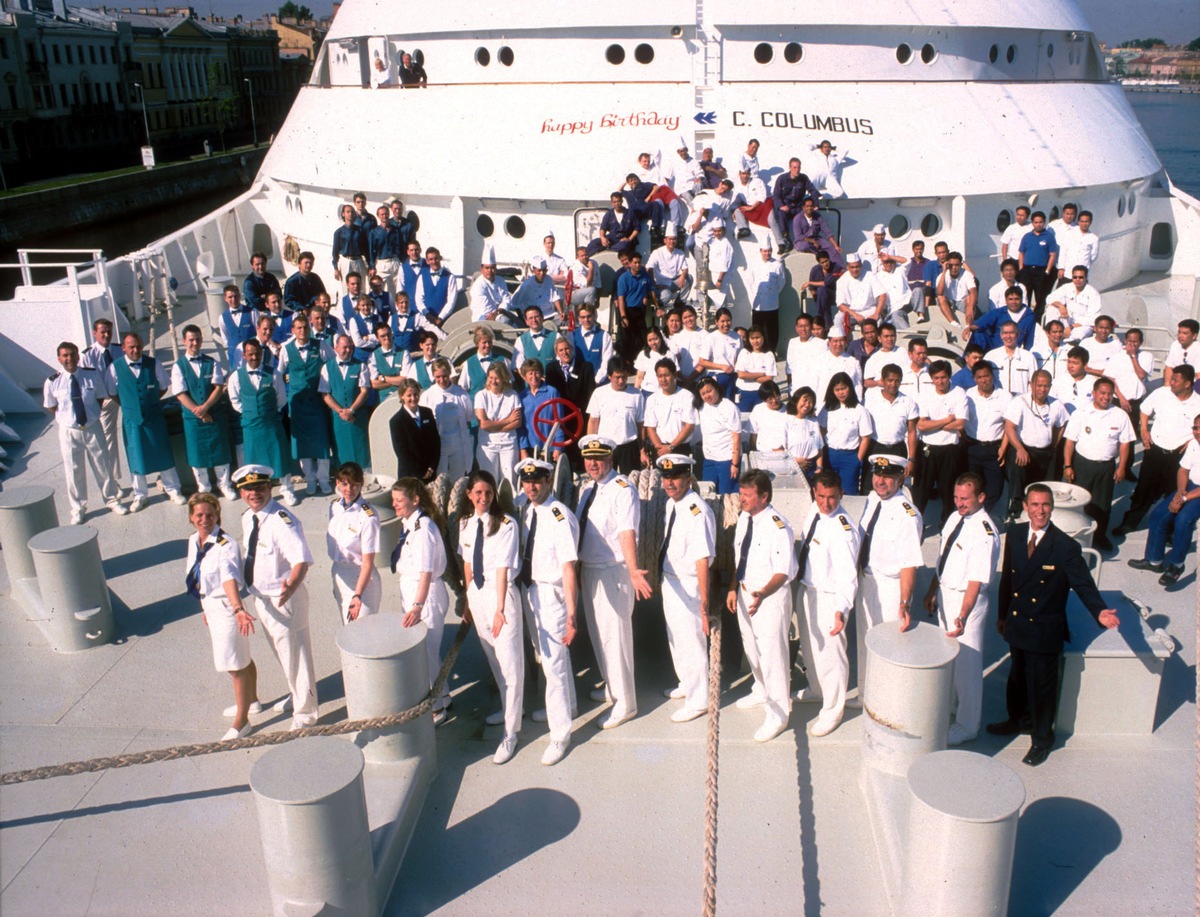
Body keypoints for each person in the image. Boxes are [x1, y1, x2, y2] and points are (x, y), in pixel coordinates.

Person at [991, 484, 1119, 766]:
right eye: (1034, 505)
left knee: (1042, 687)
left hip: (1044, 629)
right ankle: (1018, 720)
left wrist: (1099, 611)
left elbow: (1083, 584)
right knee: (1017, 678)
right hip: (1017, 622)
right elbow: (1008, 582)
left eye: (1045, 505)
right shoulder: (1014, 534)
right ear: (1025, 506)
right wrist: (1002, 615)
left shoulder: (1065, 546)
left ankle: (1041, 740)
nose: (1040, 511)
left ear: (1052, 507)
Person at [575, 434, 652, 729]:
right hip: (590, 570)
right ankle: (611, 687)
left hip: (613, 571)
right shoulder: (589, 490)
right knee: (599, 636)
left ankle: (625, 704)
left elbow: (626, 532)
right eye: (588, 458)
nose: (593, 464)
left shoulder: (623, 489)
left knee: (615, 639)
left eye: (599, 458)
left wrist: (633, 571)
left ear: (610, 459)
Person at [235, 464, 318, 729]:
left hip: (284, 600)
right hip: (262, 599)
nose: (254, 494)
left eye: (260, 488)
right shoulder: (249, 517)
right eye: (248, 489)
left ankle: (305, 713)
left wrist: (291, 586)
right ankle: (298, 695)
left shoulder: (284, 520)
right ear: (241, 492)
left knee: (296, 656)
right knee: (283, 654)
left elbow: (301, 561)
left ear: (269, 488)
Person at [922, 473, 999, 745]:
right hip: (946, 594)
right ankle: (952, 706)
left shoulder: (985, 532)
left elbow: (976, 581)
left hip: (967, 603)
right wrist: (933, 589)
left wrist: (963, 616)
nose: (959, 503)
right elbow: (944, 559)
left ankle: (968, 724)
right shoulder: (956, 518)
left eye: (965, 498)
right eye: (956, 497)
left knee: (967, 664)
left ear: (981, 497)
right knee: (948, 657)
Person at [514, 459, 580, 765]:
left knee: (553, 665)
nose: (531, 487)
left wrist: (571, 612)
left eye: (537, 481)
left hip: (551, 595)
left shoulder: (559, 517)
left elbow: (569, 568)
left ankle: (560, 735)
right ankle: (570, 705)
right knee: (547, 656)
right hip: (531, 592)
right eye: (526, 482)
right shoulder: (528, 510)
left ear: (548, 479)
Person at [457, 470, 526, 763]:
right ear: (469, 495)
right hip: (478, 596)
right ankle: (512, 710)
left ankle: (511, 733)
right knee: (495, 661)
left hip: (502, 596)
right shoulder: (465, 524)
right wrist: (468, 599)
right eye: (478, 493)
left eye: (488, 493)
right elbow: (467, 563)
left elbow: (502, 568)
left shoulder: (506, 525)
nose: (483, 498)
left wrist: (499, 609)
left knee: (511, 666)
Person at [727, 469, 798, 743]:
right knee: (752, 650)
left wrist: (762, 594)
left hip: (769, 597)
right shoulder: (745, 517)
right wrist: (734, 587)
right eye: (741, 494)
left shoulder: (778, 526)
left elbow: (783, 572)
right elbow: (740, 556)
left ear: (764, 496)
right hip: (746, 593)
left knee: (772, 656)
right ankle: (761, 689)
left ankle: (778, 714)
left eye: (747, 495)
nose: (742, 499)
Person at [790, 470, 861, 736]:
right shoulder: (814, 511)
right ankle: (816, 689)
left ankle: (833, 709)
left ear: (841, 494)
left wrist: (841, 611)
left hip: (830, 597)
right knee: (810, 646)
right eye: (821, 496)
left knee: (832, 655)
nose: (826, 503)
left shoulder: (843, 529)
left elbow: (848, 577)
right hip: (808, 590)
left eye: (832, 497)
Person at [185, 492, 258, 740]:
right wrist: (205, 609)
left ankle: (243, 720)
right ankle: (253, 700)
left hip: (227, 607)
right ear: (191, 517)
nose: (205, 520)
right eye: (199, 515)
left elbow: (228, 578)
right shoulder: (194, 540)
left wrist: (238, 610)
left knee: (234, 666)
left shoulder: (226, 545)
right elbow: (199, 578)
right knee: (241, 658)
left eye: (211, 515)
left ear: (218, 515)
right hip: (212, 606)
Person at [853, 455, 921, 705]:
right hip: (866, 578)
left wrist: (904, 602)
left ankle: (888, 702)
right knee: (865, 641)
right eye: (877, 475)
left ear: (900, 477)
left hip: (890, 586)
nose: (880, 481)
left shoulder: (908, 515)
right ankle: (865, 694)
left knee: (888, 646)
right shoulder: (872, 499)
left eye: (888, 476)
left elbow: (909, 564)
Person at [655, 454, 715, 723]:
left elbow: (702, 559)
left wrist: (704, 603)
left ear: (689, 479)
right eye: (666, 477)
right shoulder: (672, 504)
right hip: (671, 579)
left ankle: (699, 699)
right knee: (677, 638)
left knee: (691, 641)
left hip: (689, 583)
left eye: (675, 477)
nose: (669, 482)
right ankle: (686, 683)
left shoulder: (697, 510)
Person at [391, 478, 452, 724]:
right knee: (429, 655)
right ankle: (444, 695)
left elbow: (426, 571)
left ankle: (437, 710)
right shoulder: (410, 524)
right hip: (415, 593)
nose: (394, 505)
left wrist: (417, 606)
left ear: (415, 500)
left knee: (425, 656)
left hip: (425, 598)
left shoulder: (423, 528)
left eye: (399, 501)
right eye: (393, 500)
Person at [44, 341, 126, 523]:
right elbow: (52, 407)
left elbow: (100, 398)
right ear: (59, 358)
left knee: (102, 465)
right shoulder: (52, 382)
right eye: (65, 355)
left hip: (92, 427)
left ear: (78, 356)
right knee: (74, 470)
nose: (69, 359)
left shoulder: (92, 375)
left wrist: (90, 416)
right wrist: (69, 419)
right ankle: (78, 508)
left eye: (72, 354)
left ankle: (111, 499)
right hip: (69, 431)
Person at [1114, 363, 1199, 534]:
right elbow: (1144, 410)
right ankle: (1129, 523)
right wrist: (1144, 429)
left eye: (1175, 380)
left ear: (1188, 384)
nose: (1171, 382)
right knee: (1143, 490)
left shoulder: (1198, 403)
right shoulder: (1161, 393)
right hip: (1155, 451)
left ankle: (1168, 531)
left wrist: (1192, 440)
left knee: (1172, 493)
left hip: (1178, 456)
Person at [109, 332, 185, 511]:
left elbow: (163, 387)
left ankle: (173, 489)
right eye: (131, 347)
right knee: (136, 457)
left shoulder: (154, 364)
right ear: (124, 348)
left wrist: (150, 402)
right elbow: (113, 392)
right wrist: (130, 406)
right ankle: (140, 495)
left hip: (154, 417)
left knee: (163, 453)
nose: (135, 350)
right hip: (132, 421)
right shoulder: (114, 368)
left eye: (138, 346)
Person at [1063, 378, 1134, 552]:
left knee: (1102, 504)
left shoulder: (1120, 415)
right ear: (1094, 393)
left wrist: (1122, 467)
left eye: (1110, 394)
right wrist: (1067, 466)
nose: (1106, 397)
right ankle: (1074, 535)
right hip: (1082, 465)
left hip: (1106, 466)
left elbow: (1125, 443)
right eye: (1102, 393)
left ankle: (1099, 536)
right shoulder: (1081, 413)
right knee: (1078, 502)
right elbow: (1070, 442)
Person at [1129, 415, 1200, 586]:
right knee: (1158, 515)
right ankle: (1154, 561)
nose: (1197, 432)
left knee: (1183, 521)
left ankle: (1177, 565)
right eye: (1195, 428)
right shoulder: (1194, 444)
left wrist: (1183, 498)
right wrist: (1179, 493)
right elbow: (1183, 470)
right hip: (1189, 486)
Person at [228, 339, 297, 506]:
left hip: (271, 423)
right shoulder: (236, 377)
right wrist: (251, 412)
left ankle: (287, 489)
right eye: (250, 354)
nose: (254, 357)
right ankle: (261, 494)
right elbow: (235, 400)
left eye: (257, 353)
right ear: (244, 356)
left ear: (262, 353)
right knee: (254, 462)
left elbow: (281, 399)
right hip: (251, 426)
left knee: (280, 456)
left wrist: (268, 412)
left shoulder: (273, 374)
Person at [172, 325, 236, 500]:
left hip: (213, 415)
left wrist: (206, 407)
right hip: (193, 420)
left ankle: (225, 485)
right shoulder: (178, 366)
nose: (195, 343)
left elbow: (218, 387)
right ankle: (204, 487)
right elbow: (180, 393)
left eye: (198, 339)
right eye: (191, 339)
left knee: (220, 451)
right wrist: (198, 412)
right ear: (184, 341)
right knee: (197, 454)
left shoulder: (212, 362)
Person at [1002, 369, 1068, 521]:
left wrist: (1053, 445)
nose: (1042, 389)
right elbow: (1009, 426)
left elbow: (1061, 424)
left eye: (1046, 386)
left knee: (1049, 480)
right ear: (1031, 385)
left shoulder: (1056, 404)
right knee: (1017, 464)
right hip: (1024, 448)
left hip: (1045, 451)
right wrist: (1019, 448)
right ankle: (1016, 503)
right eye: (1039, 385)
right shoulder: (1020, 402)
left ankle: (1045, 507)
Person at [278, 315, 332, 497]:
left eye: (305, 328)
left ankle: (323, 479)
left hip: (317, 401)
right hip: (297, 403)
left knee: (321, 441)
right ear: (293, 330)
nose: (302, 331)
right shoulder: (286, 350)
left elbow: (332, 363)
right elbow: (278, 375)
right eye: (299, 328)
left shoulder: (320, 345)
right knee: (303, 444)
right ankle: (310, 479)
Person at [325, 461, 382, 626]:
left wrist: (357, 595)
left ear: (361, 484)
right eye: (344, 484)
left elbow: (367, 563)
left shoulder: (368, 516)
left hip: (361, 579)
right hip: (338, 573)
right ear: (337, 483)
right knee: (347, 630)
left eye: (354, 485)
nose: (348, 490)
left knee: (362, 632)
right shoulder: (334, 507)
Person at [915, 360, 968, 524]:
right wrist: (947, 420)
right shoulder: (925, 394)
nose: (940, 381)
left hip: (949, 450)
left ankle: (947, 525)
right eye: (936, 378)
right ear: (931, 378)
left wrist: (934, 424)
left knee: (948, 491)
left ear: (949, 376)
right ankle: (917, 523)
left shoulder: (959, 393)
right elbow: (922, 425)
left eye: (943, 377)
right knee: (921, 491)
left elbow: (960, 424)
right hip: (927, 449)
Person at [963, 361, 1011, 513]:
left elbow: (1009, 426)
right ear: (974, 378)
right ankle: (973, 516)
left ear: (993, 376)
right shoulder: (968, 395)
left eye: (986, 376)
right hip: (972, 448)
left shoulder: (1005, 396)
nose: (983, 380)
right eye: (979, 377)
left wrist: (1003, 448)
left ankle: (983, 513)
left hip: (995, 450)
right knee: (972, 489)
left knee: (994, 489)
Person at [80, 317, 125, 479]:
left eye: (109, 331)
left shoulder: (120, 350)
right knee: (108, 439)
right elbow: (88, 383)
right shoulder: (88, 355)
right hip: (105, 400)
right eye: (102, 332)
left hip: (123, 396)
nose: (106, 335)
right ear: (94, 333)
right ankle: (112, 478)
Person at [320, 335, 371, 469]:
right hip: (338, 419)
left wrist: (351, 410)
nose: (348, 350)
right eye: (344, 347)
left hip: (358, 417)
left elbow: (364, 391)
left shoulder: (361, 366)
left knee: (361, 449)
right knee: (342, 449)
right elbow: (325, 394)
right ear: (336, 348)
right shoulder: (327, 367)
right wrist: (340, 411)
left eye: (350, 347)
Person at [818, 370, 873, 496]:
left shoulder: (860, 410)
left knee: (848, 494)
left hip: (849, 457)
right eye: (837, 389)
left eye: (843, 388)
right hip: (829, 455)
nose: (841, 393)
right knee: (828, 492)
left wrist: (857, 460)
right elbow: (821, 431)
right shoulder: (827, 409)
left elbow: (866, 437)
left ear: (850, 388)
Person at [586, 359, 644, 475]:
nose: (621, 381)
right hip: (605, 447)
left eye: (624, 377)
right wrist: (590, 449)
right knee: (604, 481)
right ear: (609, 376)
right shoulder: (599, 393)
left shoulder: (637, 395)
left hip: (629, 447)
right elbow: (593, 421)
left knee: (631, 483)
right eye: (617, 377)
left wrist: (642, 449)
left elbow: (640, 425)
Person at [420, 359, 473, 482]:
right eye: (438, 377)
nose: (441, 380)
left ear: (450, 374)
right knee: (440, 481)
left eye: (444, 376)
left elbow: (468, 417)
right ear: (433, 375)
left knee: (458, 480)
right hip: (438, 447)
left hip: (458, 445)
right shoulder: (427, 396)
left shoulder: (461, 394)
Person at [474, 363, 522, 483]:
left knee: (510, 480)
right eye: (491, 377)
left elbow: (517, 422)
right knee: (489, 481)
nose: (493, 381)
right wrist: (507, 420)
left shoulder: (512, 395)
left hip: (509, 444)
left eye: (497, 378)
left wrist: (493, 427)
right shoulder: (481, 395)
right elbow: (483, 424)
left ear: (504, 378)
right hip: (488, 446)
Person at [643, 358, 698, 462]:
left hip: (680, 449)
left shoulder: (687, 396)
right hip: (660, 450)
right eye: (660, 376)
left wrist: (670, 447)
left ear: (675, 375)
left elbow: (689, 426)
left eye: (667, 375)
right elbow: (650, 428)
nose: (663, 380)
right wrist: (660, 448)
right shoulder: (651, 399)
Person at [695, 374, 741, 494]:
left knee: (726, 494)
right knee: (707, 493)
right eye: (703, 393)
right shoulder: (702, 406)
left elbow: (736, 437)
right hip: (709, 459)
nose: (707, 396)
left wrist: (734, 464)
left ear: (716, 388)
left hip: (726, 460)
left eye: (709, 391)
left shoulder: (729, 407)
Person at [389, 378, 440, 482]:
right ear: (401, 396)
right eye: (409, 395)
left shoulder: (427, 413)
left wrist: (432, 467)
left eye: (416, 394)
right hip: (410, 474)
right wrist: (420, 472)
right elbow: (402, 452)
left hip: (430, 473)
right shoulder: (396, 421)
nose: (413, 398)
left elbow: (436, 442)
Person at [741, 243, 786, 353]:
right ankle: (757, 351)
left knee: (772, 329)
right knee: (757, 329)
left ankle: (772, 350)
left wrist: (773, 294)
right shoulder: (754, 264)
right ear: (761, 251)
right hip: (758, 304)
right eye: (765, 251)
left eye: (769, 251)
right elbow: (749, 283)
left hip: (772, 303)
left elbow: (781, 282)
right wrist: (753, 299)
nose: (767, 253)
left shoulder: (777, 265)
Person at [518, 359, 562, 460]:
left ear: (541, 374)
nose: (534, 376)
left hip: (551, 447)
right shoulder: (522, 396)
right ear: (524, 377)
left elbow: (559, 421)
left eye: (537, 372)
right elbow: (521, 427)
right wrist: (523, 449)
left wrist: (558, 447)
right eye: (530, 373)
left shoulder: (552, 392)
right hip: (530, 448)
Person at [1016, 212, 1058, 317]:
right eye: (1036, 222)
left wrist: (1047, 270)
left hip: (1041, 271)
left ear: (1044, 222)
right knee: (1025, 295)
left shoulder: (1049, 237)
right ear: (1033, 223)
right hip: (1027, 271)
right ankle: (1024, 316)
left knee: (1040, 297)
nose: (1038, 224)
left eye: (1040, 222)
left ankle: (1038, 319)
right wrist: (1021, 269)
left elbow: (1052, 255)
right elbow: (1021, 253)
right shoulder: (1027, 236)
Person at [772, 157, 820, 245]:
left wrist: (816, 204)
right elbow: (776, 195)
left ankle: (809, 236)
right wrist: (781, 205)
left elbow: (813, 190)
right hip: (786, 205)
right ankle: (786, 237)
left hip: (798, 206)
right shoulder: (782, 179)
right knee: (781, 215)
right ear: (790, 168)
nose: (797, 170)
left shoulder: (803, 178)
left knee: (809, 214)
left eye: (798, 167)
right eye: (794, 167)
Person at [1047, 265, 1102, 341]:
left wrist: (1071, 327)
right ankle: (1049, 333)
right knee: (1052, 308)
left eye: (1081, 277)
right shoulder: (1067, 287)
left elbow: (1093, 319)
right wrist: (1060, 306)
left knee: (1077, 336)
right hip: (1068, 320)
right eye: (1075, 277)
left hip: (1083, 325)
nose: (1077, 279)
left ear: (1086, 278)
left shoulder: (1093, 293)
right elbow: (1049, 298)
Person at [697, 307, 742, 399]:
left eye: (728, 320)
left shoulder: (737, 337)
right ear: (717, 322)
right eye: (722, 321)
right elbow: (702, 361)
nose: (726, 324)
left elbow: (740, 358)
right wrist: (722, 366)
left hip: (733, 377)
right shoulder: (711, 338)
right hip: (717, 376)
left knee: (731, 404)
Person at [986, 321, 1039, 396]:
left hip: (1021, 402)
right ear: (1001, 335)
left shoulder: (1028, 357)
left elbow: (1034, 382)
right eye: (1005, 333)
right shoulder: (991, 356)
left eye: (1011, 333)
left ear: (1017, 335)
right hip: (997, 401)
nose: (1008, 336)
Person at [734, 326, 776, 412]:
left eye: (757, 337)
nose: (755, 341)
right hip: (744, 392)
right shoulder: (744, 352)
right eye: (752, 338)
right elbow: (741, 375)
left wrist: (748, 376)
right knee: (744, 418)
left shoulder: (769, 354)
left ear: (763, 337)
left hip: (761, 393)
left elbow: (769, 379)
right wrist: (761, 374)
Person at [786, 313, 828, 397]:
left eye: (806, 326)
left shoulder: (821, 344)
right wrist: (789, 386)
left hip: (815, 390)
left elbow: (825, 369)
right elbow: (789, 368)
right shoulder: (792, 342)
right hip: (795, 390)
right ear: (796, 328)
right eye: (800, 326)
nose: (803, 329)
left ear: (811, 327)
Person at [646, 232, 692, 310]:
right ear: (665, 240)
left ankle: (679, 304)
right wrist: (654, 284)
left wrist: (683, 275)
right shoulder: (657, 252)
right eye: (670, 239)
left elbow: (685, 268)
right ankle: (658, 306)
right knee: (666, 295)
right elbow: (648, 268)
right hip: (661, 284)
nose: (672, 241)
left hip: (673, 282)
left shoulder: (680, 253)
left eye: (674, 239)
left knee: (689, 278)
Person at [414, 247, 460, 326]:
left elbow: (451, 301)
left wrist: (440, 318)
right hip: (427, 320)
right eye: (431, 259)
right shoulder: (422, 277)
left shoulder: (450, 277)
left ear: (440, 258)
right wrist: (428, 315)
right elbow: (418, 300)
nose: (434, 261)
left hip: (446, 320)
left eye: (436, 258)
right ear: (427, 261)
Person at [332, 204, 368, 298]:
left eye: (352, 212)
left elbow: (365, 249)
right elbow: (335, 252)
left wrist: (369, 265)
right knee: (346, 287)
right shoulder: (339, 232)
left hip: (358, 261)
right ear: (343, 214)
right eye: (348, 212)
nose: (350, 214)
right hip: (346, 261)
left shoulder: (360, 230)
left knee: (361, 287)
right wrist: (335, 268)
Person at [470, 247, 514, 322]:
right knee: (504, 321)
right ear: (482, 269)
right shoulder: (478, 285)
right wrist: (499, 311)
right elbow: (486, 310)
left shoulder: (501, 280)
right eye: (487, 268)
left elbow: (507, 299)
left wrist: (498, 311)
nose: (490, 271)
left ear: (495, 268)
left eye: (492, 268)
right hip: (483, 317)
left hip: (499, 313)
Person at [573, 306, 613, 385]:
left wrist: (596, 380)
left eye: (589, 316)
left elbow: (607, 361)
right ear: (579, 318)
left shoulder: (605, 335)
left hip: (600, 383)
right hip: (579, 383)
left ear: (594, 316)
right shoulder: (572, 335)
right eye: (583, 317)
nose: (586, 320)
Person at [934, 251, 977, 325]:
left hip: (963, 303)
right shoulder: (941, 276)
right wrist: (944, 271)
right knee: (940, 297)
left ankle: (968, 326)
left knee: (969, 298)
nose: (954, 268)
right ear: (947, 264)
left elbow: (973, 292)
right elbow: (939, 292)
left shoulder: (967, 274)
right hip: (949, 303)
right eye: (951, 265)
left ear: (960, 264)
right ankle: (953, 323)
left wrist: (970, 307)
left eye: (957, 265)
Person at [1163, 319, 1199, 390]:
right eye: (1179, 332)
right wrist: (1167, 388)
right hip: (1175, 383)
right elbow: (1169, 367)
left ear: (1194, 336)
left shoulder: (1198, 349)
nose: (1180, 336)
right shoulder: (1175, 345)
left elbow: (1198, 376)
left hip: (1191, 386)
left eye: (1185, 333)